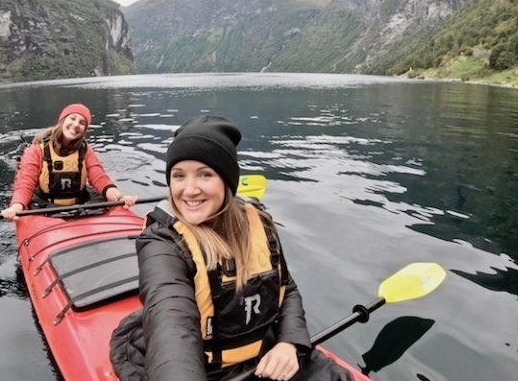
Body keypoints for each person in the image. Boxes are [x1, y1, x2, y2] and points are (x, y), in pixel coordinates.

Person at [109, 115, 353, 381]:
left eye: (205, 174)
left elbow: (287, 290)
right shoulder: (161, 243)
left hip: (266, 353)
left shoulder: (259, 222)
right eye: (179, 176)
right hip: (204, 368)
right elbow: (171, 325)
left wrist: (290, 342)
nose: (189, 190)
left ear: (227, 181)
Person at [2, 103, 138, 220]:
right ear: (62, 121)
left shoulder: (86, 150)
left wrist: (120, 198)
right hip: (45, 206)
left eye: (82, 122)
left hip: (79, 204)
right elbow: (25, 184)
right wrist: (16, 207)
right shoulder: (36, 150)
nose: (76, 125)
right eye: (72, 119)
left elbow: (100, 178)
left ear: (85, 129)